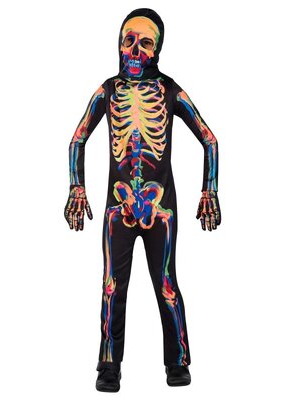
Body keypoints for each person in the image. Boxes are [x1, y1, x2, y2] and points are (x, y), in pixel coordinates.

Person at [64, 7, 221, 392]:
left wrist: (210, 189)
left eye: (145, 43)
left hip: (160, 207)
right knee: (112, 285)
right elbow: (77, 139)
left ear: (157, 50)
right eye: (128, 41)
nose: (134, 51)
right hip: (118, 208)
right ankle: (109, 365)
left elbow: (209, 139)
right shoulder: (107, 90)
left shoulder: (169, 90)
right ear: (118, 44)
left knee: (166, 284)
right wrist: (76, 187)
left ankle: (177, 361)